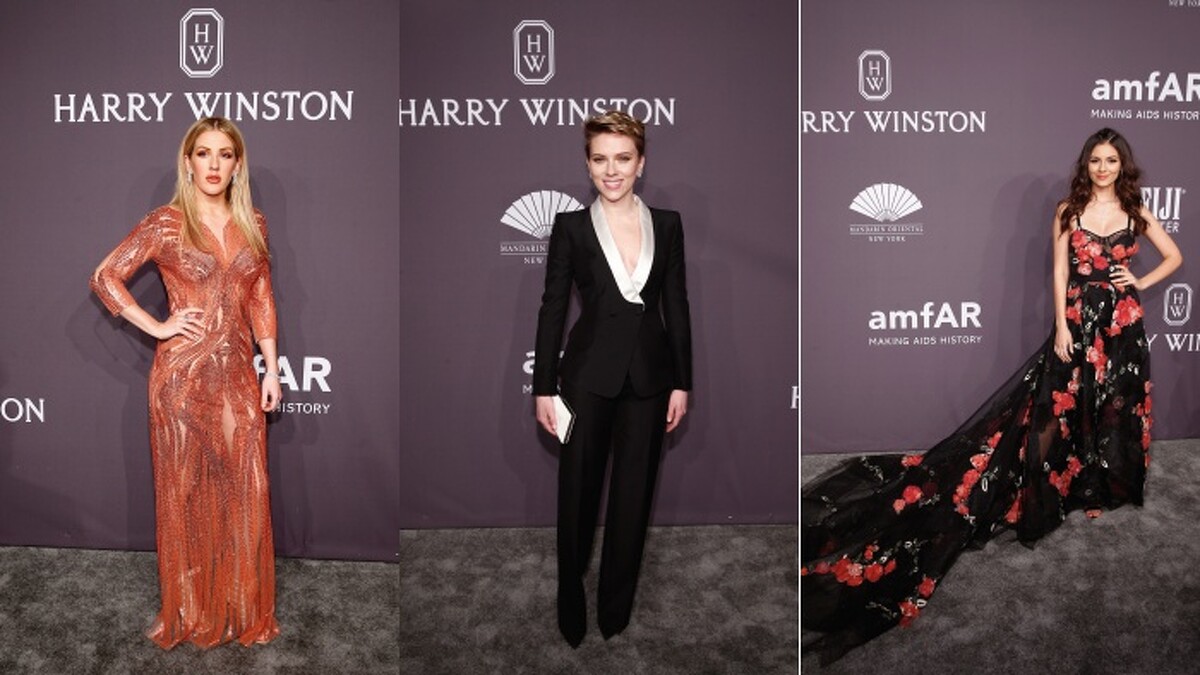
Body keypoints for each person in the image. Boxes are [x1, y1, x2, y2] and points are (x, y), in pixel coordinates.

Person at [801, 127, 1182, 662]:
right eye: (1096, 160)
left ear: (1123, 166)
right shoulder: (1068, 210)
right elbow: (1059, 271)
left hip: (1122, 327)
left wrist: (1138, 282)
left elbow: (1173, 256)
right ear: (1086, 164)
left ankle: (1095, 486)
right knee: (1055, 408)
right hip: (1077, 321)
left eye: (1111, 160)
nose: (1103, 168)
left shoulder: (1136, 210)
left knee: (1110, 408)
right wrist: (1061, 326)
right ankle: (1045, 485)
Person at [91, 117, 282, 649]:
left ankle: (241, 606)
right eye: (203, 153)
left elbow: (261, 296)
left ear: (237, 165)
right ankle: (194, 609)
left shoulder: (254, 223)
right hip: (182, 376)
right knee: (187, 492)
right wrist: (156, 325)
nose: (214, 164)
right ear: (188, 162)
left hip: (238, 374)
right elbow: (106, 276)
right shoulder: (165, 223)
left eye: (225, 154)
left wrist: (270, 367)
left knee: (246, 486)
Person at [533, 110, 693, 647]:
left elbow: (677, 306)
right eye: (600, 159)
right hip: (585, 380)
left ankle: (616, 606)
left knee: (633, 497)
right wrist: (543, 387)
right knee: (576, 496)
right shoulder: (571, 228)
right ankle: (570, 599)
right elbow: (553, 309)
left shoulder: (667, 224)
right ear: (587, 164)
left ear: (641, 163)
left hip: (649, 380)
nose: (612, 170)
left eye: (623, 158)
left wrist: (682, 381)